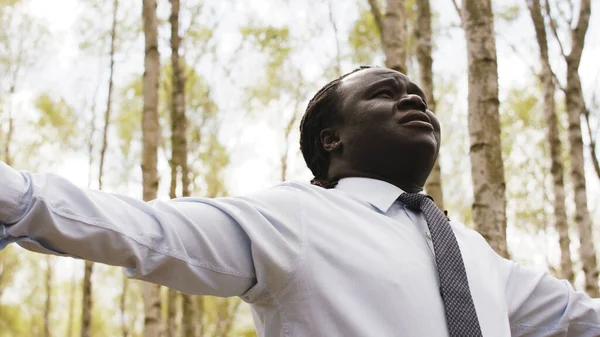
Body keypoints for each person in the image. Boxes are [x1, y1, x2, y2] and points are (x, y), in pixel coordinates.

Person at [0, 66, 599, 337]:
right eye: (386, 95)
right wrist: (14, 197)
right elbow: (145, 230)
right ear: (330, 140)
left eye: (417, 94)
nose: (413, 99)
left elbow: (578, 317)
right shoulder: (293, 219)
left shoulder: (474, 254)